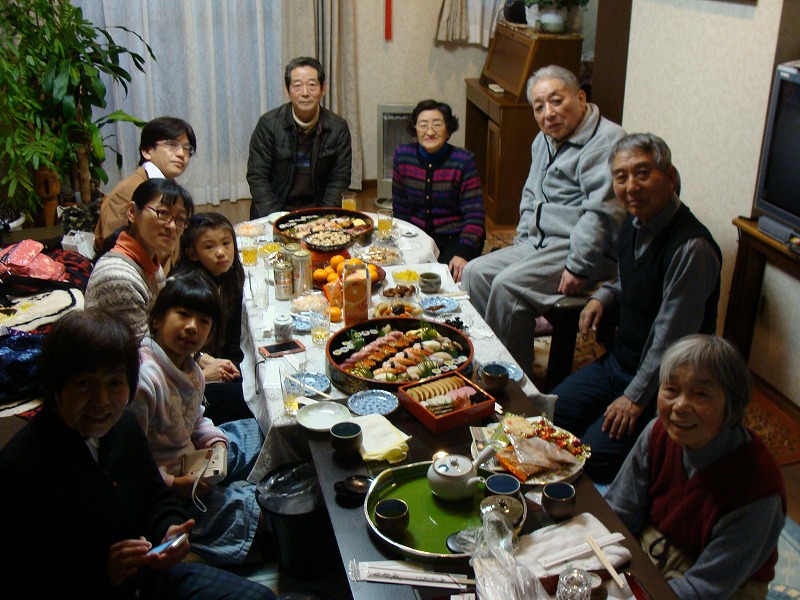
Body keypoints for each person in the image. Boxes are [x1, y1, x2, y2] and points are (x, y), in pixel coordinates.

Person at [0, 309, 276, 599]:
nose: (101, 401)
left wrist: (170, 529)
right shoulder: (20, 469)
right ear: (54, 385)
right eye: (83, 384)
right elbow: (20, 577)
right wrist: (102, 571)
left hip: (150, 576)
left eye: (114, 383)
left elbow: (154, 496)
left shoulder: (123, 427)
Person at [552, 133, 723, 482]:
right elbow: (629, 276)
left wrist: (634, 398)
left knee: (591, 458)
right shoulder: (633, 221)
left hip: (665, 382)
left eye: (642, 173)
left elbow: (671, 338)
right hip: (619, 362)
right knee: (551, 412)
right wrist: (603, 295)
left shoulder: (691, 248)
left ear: (670, 177)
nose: (631, 186)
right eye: (621, 176)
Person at [461, 65, 626, 377]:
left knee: (508, 287)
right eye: (539, 107)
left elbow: (602, 214)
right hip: (539, 243)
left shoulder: (606, 141)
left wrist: (579, 265)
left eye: (556, 101)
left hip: (581, 250)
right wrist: (522, 241)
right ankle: (483, 362)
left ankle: (514, 385)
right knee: (475, 273)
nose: (548, 113)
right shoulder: (544, 140)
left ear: (580, 98)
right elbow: (531, 194)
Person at [606, 335, 785, 600]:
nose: (680, 406)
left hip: (725, 586)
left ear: (732, 403)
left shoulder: (758, 489)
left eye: (700, 394)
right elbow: (619, 512)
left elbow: (705, 589)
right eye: (671, 389)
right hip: (656, 546)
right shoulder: (658, 433)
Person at [129, 273, 264, 565]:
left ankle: (232, 508)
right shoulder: (144, 381)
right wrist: (174, 483)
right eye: (183, 314)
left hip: (192, 460)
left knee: (262, 436)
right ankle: (201, 548)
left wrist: (216, 444)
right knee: (259, 509)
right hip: (167, 486)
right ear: (156, 320)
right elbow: (132, 463)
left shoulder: (189, 368)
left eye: (203, 321)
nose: (192, 327)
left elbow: (195, 417)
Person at [85, 178, 194, 341]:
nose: (172, 226)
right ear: (132, 212)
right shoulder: (119, 277)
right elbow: (140, 351)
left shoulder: (151, 264)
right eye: (163, 213)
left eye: (180, 219)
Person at [392, 99, 486, 283]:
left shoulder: (463, 161)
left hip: (455, 239)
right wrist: (403, 246)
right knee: (402, 276)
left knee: (442, 280)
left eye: (437, 124)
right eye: (423, 125)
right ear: (415, 129)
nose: (430, 132)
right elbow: (401, 211)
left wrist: (463, 252)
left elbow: (475, 217)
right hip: (418, 237)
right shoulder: (403, 156)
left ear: (448, 130)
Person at [247, 56, 352, 219]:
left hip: (318, 212)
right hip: (276, 211)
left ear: (323, 89)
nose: (305, 93)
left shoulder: (338, 128)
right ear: (287, 89)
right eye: (297, 85)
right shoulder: (268, 125)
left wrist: (324, 219)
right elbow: (257, 177)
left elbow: (339, 180)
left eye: (312, 85)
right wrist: (276, 219)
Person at [173, 212, 252, 423]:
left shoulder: (231, 276)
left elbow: (233, 339)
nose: (221, 253)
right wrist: (202, 369)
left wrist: (230, 367)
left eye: (226, 243)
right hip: (186, 382)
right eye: (209, 247)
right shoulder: (188, 290)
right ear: (192, 254)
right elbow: (174, 352)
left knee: (256, 379)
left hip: (216, 364)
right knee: (252, 398)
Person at [94, 116, 197, 274]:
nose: (181, 154)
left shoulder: (172, 190)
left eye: (187, 148)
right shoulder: (127, 191)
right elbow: (116, 254)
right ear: (147, 151)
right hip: (133, 279)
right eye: (172, 145)